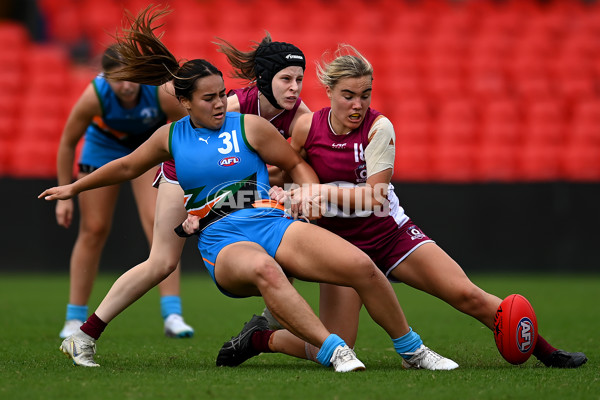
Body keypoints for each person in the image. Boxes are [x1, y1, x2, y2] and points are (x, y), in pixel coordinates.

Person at [39, 6, 457, 372]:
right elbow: (152, 154)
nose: (296, 88)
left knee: (291, 240)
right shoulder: (232, 110)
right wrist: (74, 186)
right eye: (287, 80)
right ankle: (86, 331)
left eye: (299, 79)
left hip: (241, 198)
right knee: (161, 262)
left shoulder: (298, 117)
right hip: (182, 176)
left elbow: (296, 166)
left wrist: (307, 193)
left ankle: (277, 318)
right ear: (265, 79)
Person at [219, 45, 588, 369]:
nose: (358, 105)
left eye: (365, 95)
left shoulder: (380, 129)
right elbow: (285, 170)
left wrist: (318, 194)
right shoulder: (306, 128)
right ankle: (258, 339)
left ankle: (547, 352)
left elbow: (375, 197)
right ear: (329, 91)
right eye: (348, 95)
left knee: (465, 293)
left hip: (389, 234)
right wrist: (273, 193)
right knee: (332, 348)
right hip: (338, 245)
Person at [54, 44, 194, 339]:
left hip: (147, 149)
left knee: (161, 227)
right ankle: (74, 316)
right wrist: (65, 198)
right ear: (106, 77)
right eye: (118, 79)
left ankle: (172, 314)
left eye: (131, 77)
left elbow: (190, 128)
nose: (127, 85)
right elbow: (68, 143)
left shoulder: (159, 93)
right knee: (93, 229)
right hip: (103, 148)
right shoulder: (95, 95)